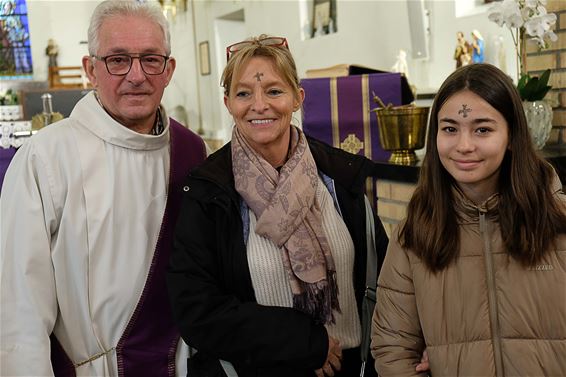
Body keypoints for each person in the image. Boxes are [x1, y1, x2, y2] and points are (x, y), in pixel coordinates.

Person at [0, 1, 207, 376]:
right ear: (90, 69)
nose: (136, 75)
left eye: (150, 59)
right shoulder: (46, 158)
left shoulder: (194, 153)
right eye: (117, 60)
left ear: (169, 69)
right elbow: (18, 305)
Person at [167, 34, 389, 377]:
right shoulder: (209, 192)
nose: (259, 105)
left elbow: (384, 277)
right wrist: (303, 342)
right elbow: (196, 310)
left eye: (273, 90)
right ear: (227, 102)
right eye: (243, 93)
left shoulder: (341, 179)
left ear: (297, 97)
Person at [371, 63, 566, 376]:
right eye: (450, 128)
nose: (464, 145)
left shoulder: (558, 223)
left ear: (512, 136)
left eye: (483, 129)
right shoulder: (416, 234)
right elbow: (393, 349)